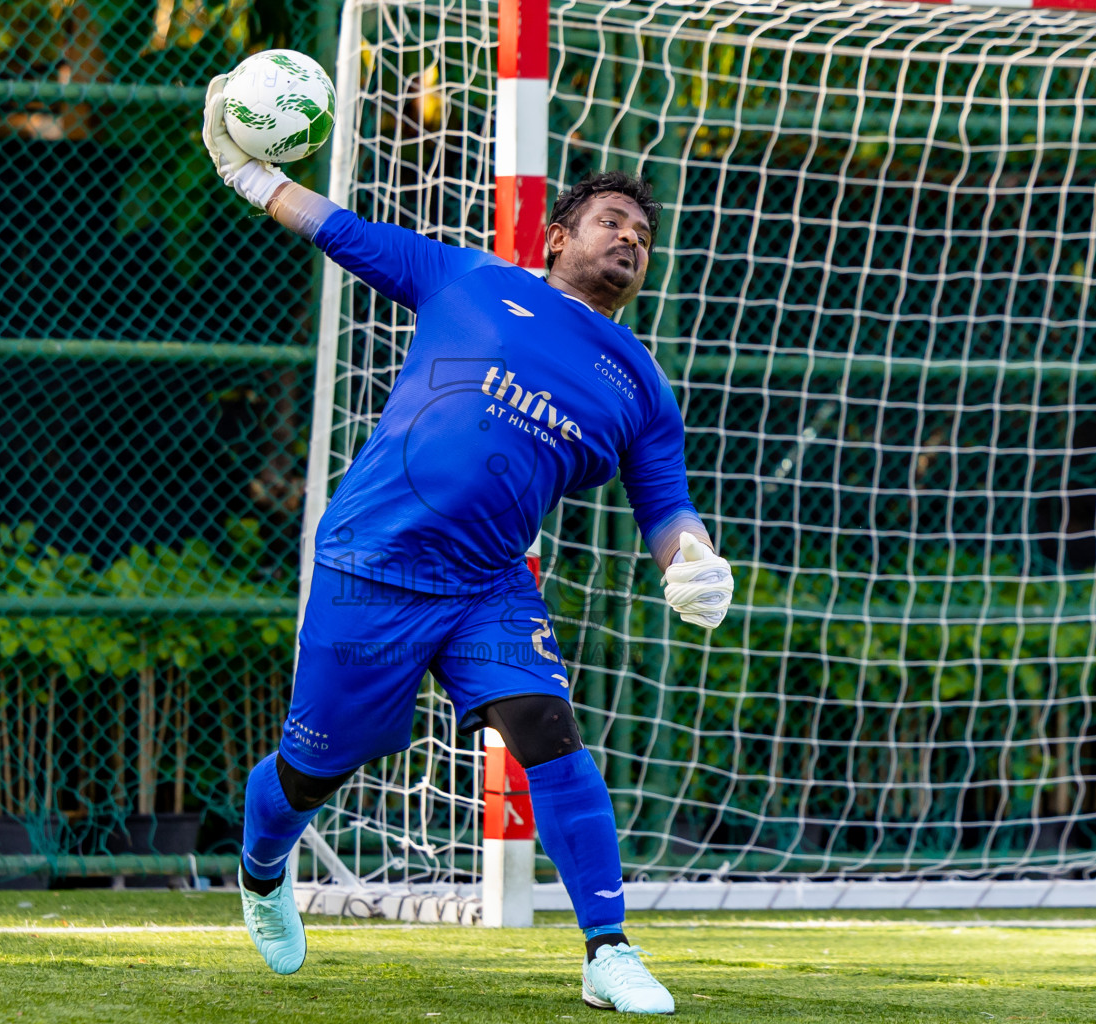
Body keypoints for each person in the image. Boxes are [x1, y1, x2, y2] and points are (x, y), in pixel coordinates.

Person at [202, 73, 734, 1015]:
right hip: (371, 563)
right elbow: (339, 229)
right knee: (317, 765)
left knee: (550, 733)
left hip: (490, 585)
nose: (630, 240)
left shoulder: (642, 385)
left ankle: (607, 952)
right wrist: (245, 174)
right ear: (559, 237)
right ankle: (260, 865)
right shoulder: (469, 279)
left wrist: (693, 561)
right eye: (612, 222)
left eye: (643, 238)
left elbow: (667, 508)